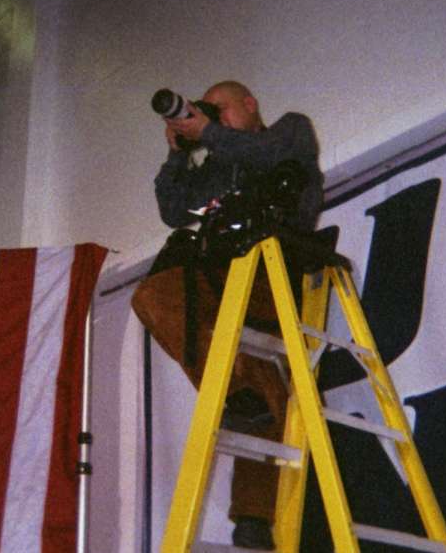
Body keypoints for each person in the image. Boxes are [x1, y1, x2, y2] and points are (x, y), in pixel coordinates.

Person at [142, 81, 323, 549]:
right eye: (207, 112)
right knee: (153, 296)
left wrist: (209, 131)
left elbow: (270, 155)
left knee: (262, 378)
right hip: (219, 275)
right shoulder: (217, 165)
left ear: (250, 104)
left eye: (220, 108)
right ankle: (240, 390)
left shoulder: (289, 130)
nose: (213, 118)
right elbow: (171, 211)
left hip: (272, 271)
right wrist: (179, 153)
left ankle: (254, 519)